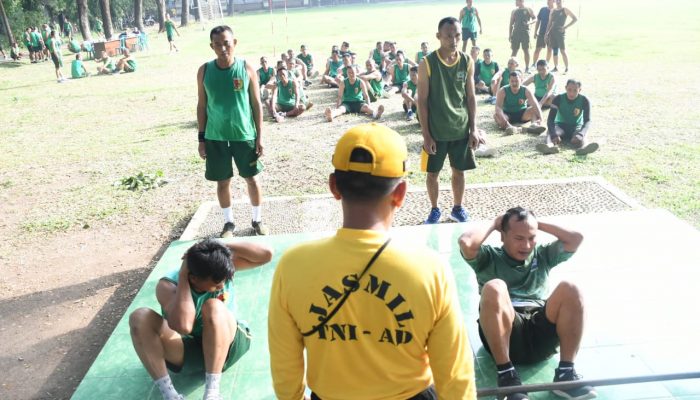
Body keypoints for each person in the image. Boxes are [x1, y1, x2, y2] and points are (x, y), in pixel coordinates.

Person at [269, 123, 477, 400]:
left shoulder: (292, 266)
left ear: (334, 186)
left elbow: (284, 365)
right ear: (400, 193)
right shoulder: (430, 269)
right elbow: (455, 376)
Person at [458, 207, 596, 400]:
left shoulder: (542, 255)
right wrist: (493, 223)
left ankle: (565, 374)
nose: (527, 245)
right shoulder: (488, 258)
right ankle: (507, 379)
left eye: (531, 238)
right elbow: (466, 243)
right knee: (494, 286)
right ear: (503, 236)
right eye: (519, 238)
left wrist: (535, 223)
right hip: (505, 333)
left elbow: (576, 239)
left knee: (571, 288)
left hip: (540, 331)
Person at [129, 239, 273, 400]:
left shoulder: (217, 267)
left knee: (213, 306)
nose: (222, 285)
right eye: (217, 283)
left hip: (230, 346)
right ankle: (170, 395)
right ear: (194, 278)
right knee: (140, 317)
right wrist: (183, 276)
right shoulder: (168, 286)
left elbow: (266, 255)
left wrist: (216, 246)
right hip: (194, 352)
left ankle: (212, 393)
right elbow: (183, 327)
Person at [196, 25, 269, 237]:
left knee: (252, 178)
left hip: (244, 135)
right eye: (217, 44)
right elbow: (202, 106)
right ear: (212, 46)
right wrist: (201, 139)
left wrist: (259, 136)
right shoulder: (204, 71)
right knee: (222, 181)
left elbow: (256, 105)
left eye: (226, 43)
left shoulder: (246, 68)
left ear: (234, 43)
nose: (223, 48)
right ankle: (229, 223)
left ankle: (257, 220)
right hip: (215, 136)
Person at [417, 17, 483, 224]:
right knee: (432, 174)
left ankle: (458, 208)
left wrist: (474, 129)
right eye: (448, 36)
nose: (453, 40)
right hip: (436, 131)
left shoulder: (467, 61)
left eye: (457, 36)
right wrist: (426, 135)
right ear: (438, 37)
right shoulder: (427, 63)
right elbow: (422, 101)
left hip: (460, 129)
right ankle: (434, 209)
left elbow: (471, 97)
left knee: (459, 172)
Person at [537, 79, 598, 155]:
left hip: (576, 126)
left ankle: (584, 148)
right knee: (550, 132)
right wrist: (553, 134)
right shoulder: (558, 99)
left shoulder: (584, 100)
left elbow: (587, 121)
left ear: (580, 90)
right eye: (569, 90)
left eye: (575, 90)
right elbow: (550, 120)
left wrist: (581, 134)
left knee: (581, 137)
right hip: (560, 126)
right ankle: (549, 146)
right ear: (565, 88)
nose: (571, 93)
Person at [494, 70, 546, 135]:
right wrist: (504, 121)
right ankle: (510, 128)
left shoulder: (526, 90)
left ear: (521, 80)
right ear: (508, 81)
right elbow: (498, 107)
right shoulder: (503, 90)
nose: (514, 83)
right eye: (512, 81)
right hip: (507, 114)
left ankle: (534, 126)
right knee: (497, 116)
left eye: (516, 81)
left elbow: (535, 104)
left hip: (522, 114)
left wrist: (541, 118)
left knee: (533, 109)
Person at [545, 0, 578, 73]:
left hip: (560, 33)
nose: (558, 2)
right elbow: (549, 23)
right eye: (556, 0)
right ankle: (556, 67)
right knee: (555, 50)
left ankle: (566, 67)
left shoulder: (565, 10)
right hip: (552, 33)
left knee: (562, 50)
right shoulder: (552, 10)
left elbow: (575, 19)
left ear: (562, 1)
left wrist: (565, 27)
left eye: (559, 0)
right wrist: (546, 33)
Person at [509, 0, 536, 74]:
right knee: (514, 50)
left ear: (521, 1)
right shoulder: (514, 11)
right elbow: (511, 23)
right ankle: (511, 67)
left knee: (526, 50)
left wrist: (529, 23)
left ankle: (527, 68)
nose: (515, 2)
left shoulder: (528, 9)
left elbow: (535, 18)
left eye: (516, 1)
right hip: (516, 33)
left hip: (525, 33)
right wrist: (510, 34)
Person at [532, 0, 554, 68]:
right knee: (537, 49)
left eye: (549, 0)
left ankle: (546, 64)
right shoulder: (543, 9)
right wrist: (535, 31)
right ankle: (534, 64)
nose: (548, 1)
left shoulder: (555, 11)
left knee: (549, 49)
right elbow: (538, 21)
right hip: (541, 32)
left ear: (553, 1)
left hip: (551, 33)